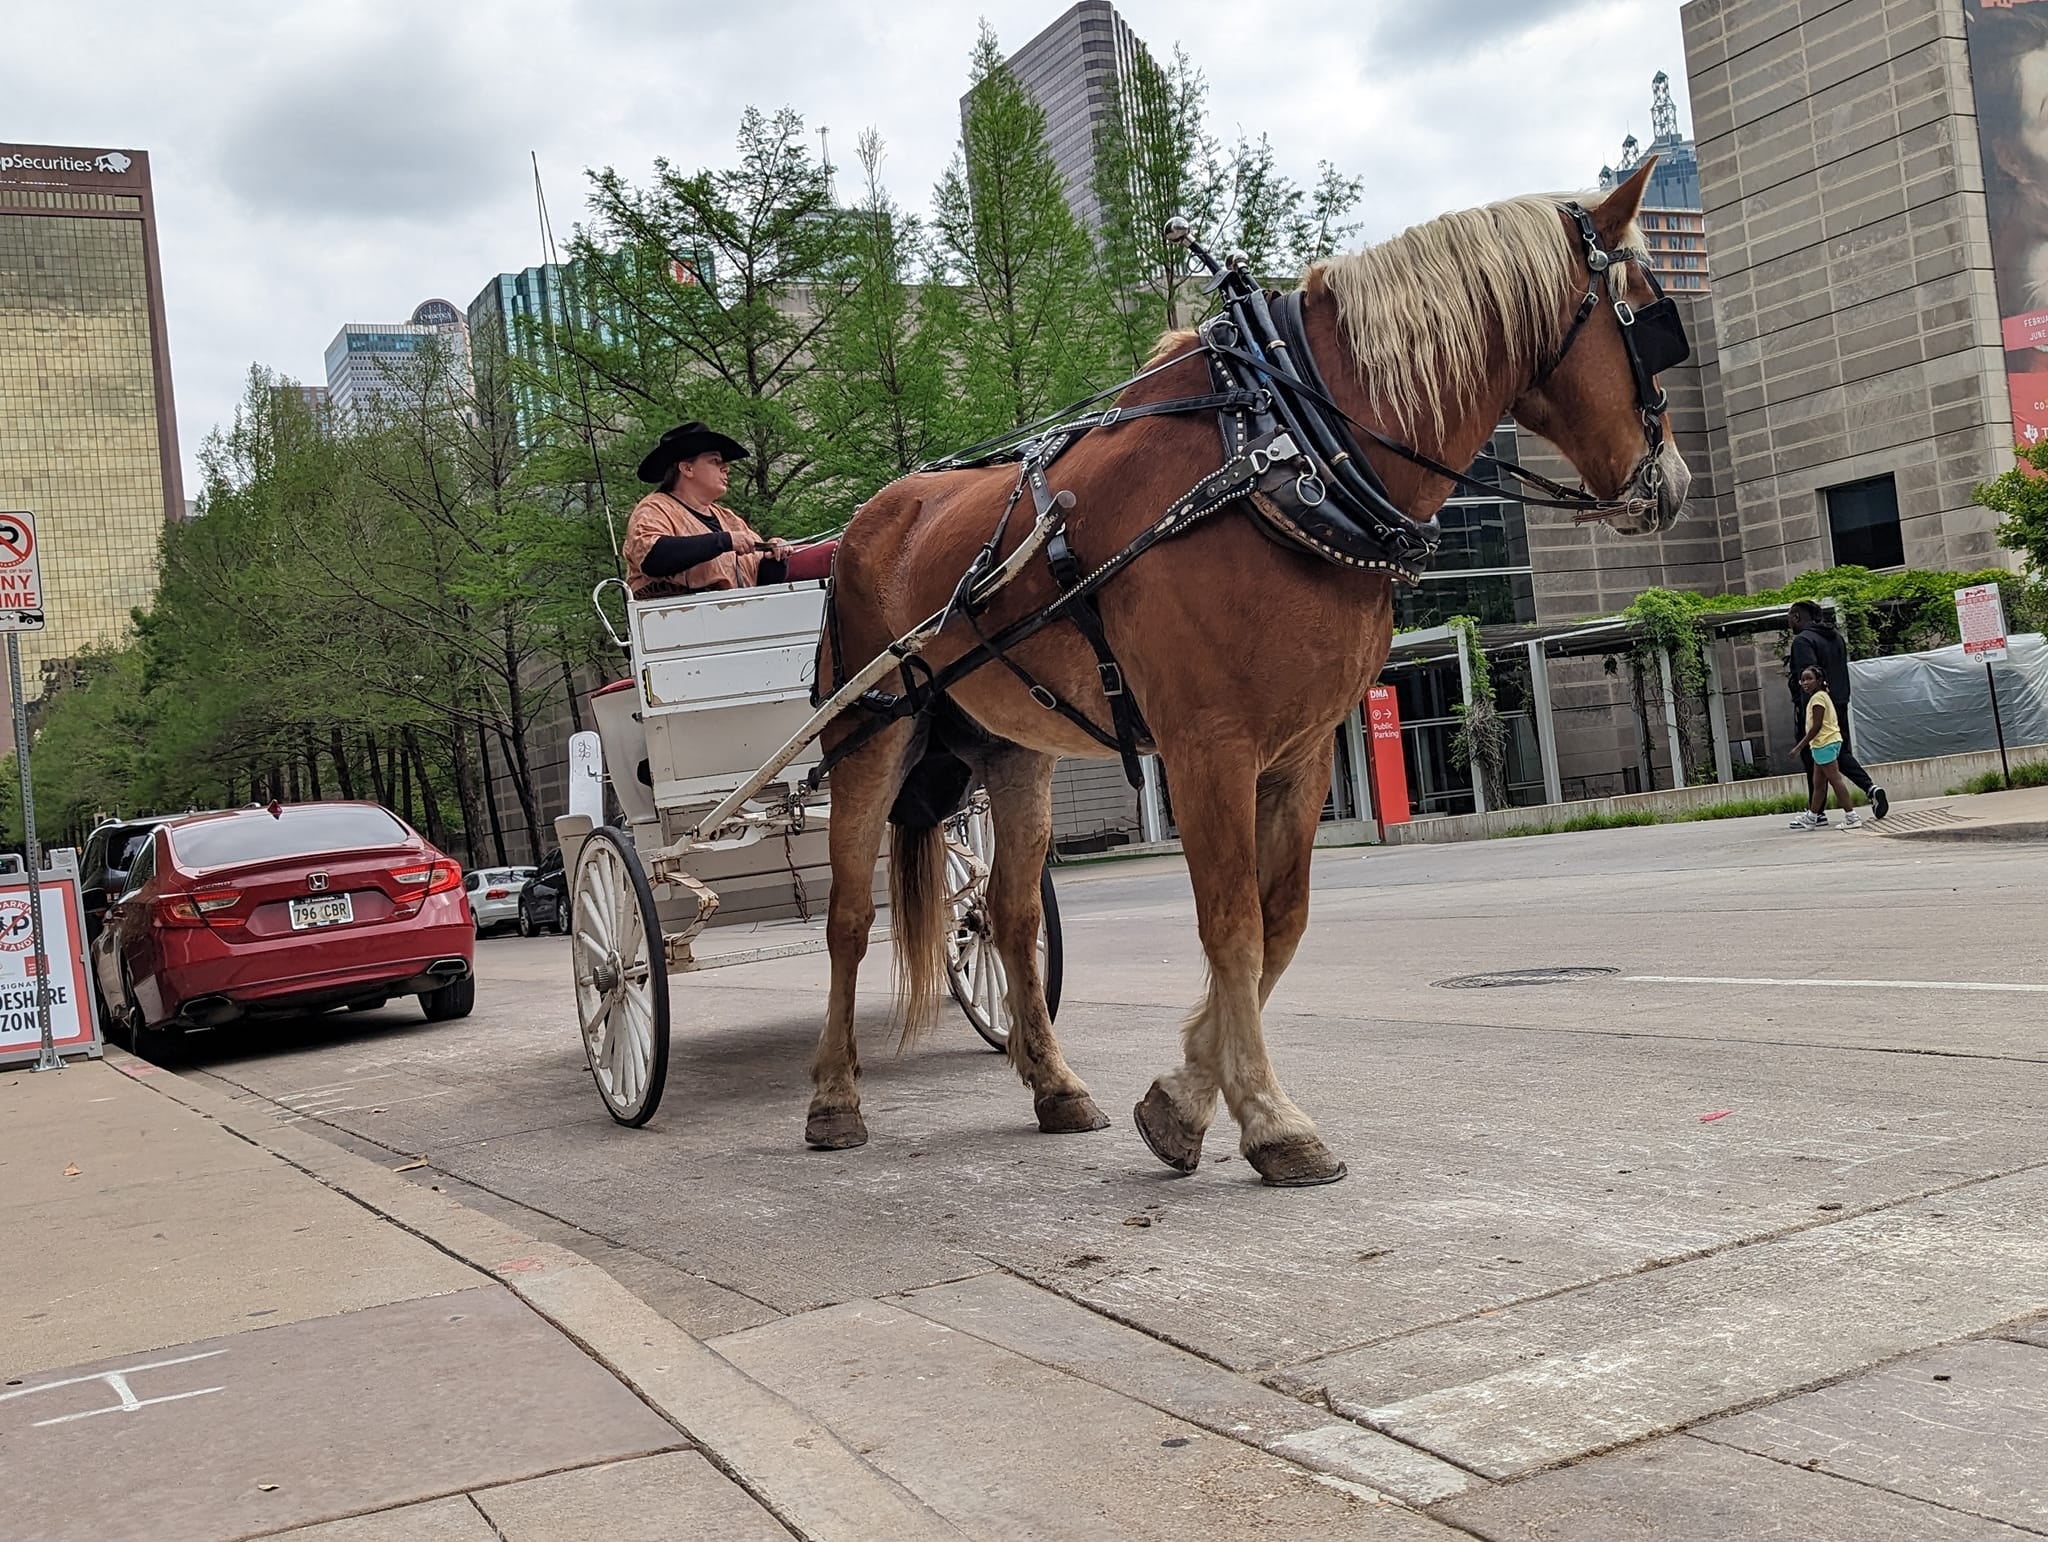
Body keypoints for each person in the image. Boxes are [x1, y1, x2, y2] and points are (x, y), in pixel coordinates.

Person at [623, 421, 836, 600]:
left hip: (734, 618)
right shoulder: (654, 508)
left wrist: (776, 555)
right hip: (675, 622)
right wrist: (724, 541)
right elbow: (653, 557)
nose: (726, 468)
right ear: (687, 468)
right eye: (715, 461)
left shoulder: (728, 518)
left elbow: (760, 577)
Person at [1786, 600, 1888, 819]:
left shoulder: (1803, 641)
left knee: (1815, 755)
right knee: (1838, 752)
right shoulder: (1836, 638)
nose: (1790, 625)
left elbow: (1808, 678)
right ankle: (1871, 789)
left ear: (1796, 617)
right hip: (1839, 703)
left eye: (1790, 620)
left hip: (1817, 707)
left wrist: (1806, 712)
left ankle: (1817, 813)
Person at [1789, 665, 1862, 831]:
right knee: (1819, 783)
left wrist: (1798, 747)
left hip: (1824, 744)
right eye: (1803, 679)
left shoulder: (1818, 699)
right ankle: (1812, 817)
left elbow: (1816, 727)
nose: (1805, 682)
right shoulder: (1822, 696)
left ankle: (1851, 816)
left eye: (1809, 679)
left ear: (1819, 680)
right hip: (1826, 744)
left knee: (1835, 781)